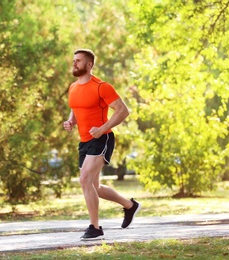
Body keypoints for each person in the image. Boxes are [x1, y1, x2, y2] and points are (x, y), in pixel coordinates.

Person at [63, 49, 141, 240]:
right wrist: (71, 121)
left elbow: (123, 111)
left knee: (84, 180)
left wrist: (102, 128)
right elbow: (76, 107)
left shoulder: (101, 87)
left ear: (89, 65)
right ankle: (130, 206)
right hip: (84, 141)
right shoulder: (73, 87)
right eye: (74, 60)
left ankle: (95, 228)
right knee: (94, 186)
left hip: (102, 138)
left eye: (78, 61)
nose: (74, 64)